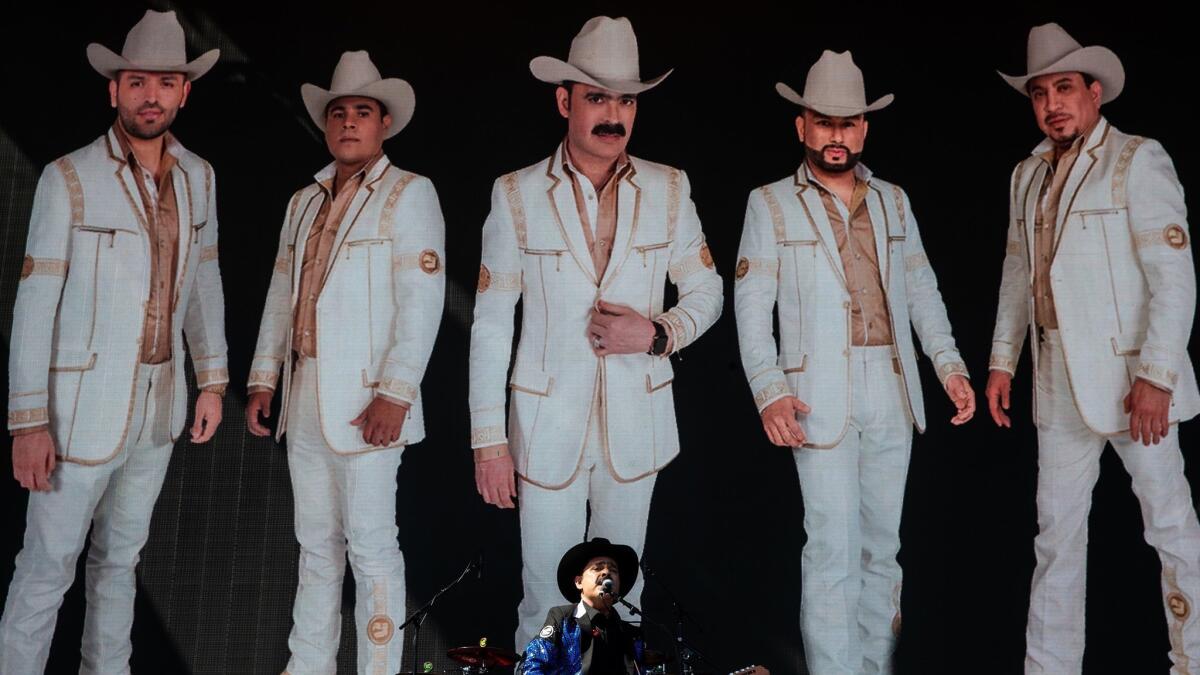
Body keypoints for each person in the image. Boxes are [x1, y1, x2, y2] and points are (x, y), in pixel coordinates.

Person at [468, 15, 723, 648]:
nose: (614, 114)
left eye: (626, 99)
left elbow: (708, 292)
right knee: (546, 599)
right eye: (597, 98)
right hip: (545, 427)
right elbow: (492, 324)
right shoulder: (517, 194)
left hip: (637, 426)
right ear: (565, 101)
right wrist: (487, 441)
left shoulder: (669, 188)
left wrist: (658, 334)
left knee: (620, 598)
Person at [0, 10, 228, 673]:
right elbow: (35, 303)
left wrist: (211, 379)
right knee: (45, 569)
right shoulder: (67, 178)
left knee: (120, 565)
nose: (149, 95)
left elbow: (203, 278)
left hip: (158, 409)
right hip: (73, 415)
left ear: (184, 92)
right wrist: (28, 422)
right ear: (113, 89)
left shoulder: (200, 177)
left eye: (163, 82)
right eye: (136, 81)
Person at [733, 50, 974, 674]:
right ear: (802, 126)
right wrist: (769, 390)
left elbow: (922, 289)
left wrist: (949, 366)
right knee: (831, 549)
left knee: (883, 551)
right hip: (817, 394)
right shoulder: (771, 203)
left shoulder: (894, 200)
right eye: (823, 121)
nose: (836, 134)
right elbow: (751, 306)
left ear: (864, 128)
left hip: (893, 389)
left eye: (848, 122)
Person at [987, 22, 1200, 672]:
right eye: (1040, 93)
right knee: (1055, 538)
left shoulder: (1136, 159)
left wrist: (1158, 375)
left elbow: (1174, 275)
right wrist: (1003, 360)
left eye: (1065, 88)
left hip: (1133, 378)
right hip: (1056, 382)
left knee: (1169, 526)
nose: (1052, 103)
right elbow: (1018, 271)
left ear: (1094, 91)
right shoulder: (1026, 175)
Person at [245, 50, 446, 674]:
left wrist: (396, 392)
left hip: (368, 401)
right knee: (315, 547)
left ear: (384, 123)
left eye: (363, 111)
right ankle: (307, 665)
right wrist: (263, 377)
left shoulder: (410, 194)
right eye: (339, 113)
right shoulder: (303, 202)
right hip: (304, 396)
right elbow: (283, 291)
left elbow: (423, 303)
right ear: (326, 125)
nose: (349, 123)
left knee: (372, 547)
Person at [521, 538, 645, 675]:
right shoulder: (562, 618)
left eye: (613, 570)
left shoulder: (630, 634)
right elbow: (533, 665)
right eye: (597, 568)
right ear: (579, 582)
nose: (606, 573)